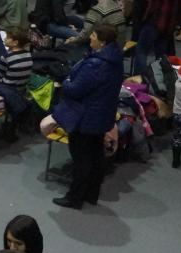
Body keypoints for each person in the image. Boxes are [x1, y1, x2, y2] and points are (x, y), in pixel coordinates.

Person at [47, 24, 125, 210]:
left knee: (81, 158)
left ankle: (75, 197)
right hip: (101, 115)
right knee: (96, 155)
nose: (91, 37)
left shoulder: (95, 64)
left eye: (94, 35)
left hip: (85, 118)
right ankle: (91, 193)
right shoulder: (115, 59)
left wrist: (66, 80)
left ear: (102, 42)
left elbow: (74, 89)